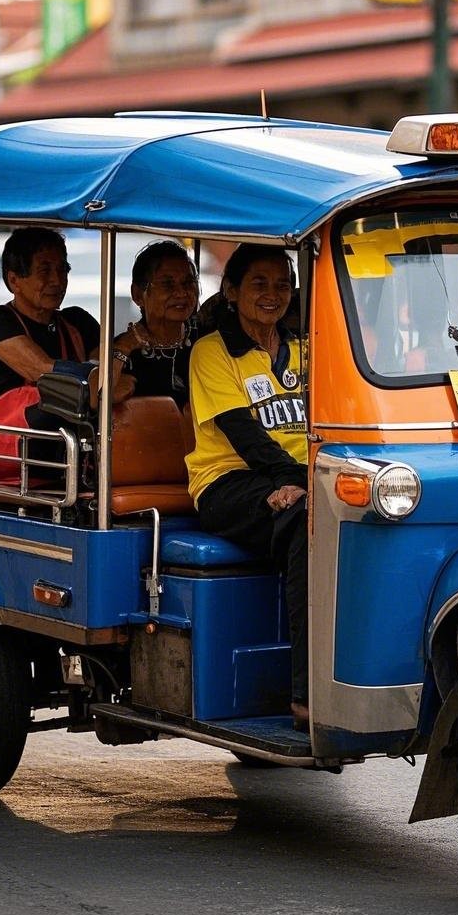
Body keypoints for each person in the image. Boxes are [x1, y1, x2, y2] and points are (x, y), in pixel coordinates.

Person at [185, 244, 310, 728]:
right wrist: (292, 482)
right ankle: (306, 694)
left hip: (293, 481)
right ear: (232, 291)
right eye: (259, 283)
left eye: (282, 284)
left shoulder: (305, 348)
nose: (272, 294)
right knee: (307, 523)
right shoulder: (212, 351)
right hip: (227, 483)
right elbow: (244, 434)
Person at [0, 226, 134, 483]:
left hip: (66, 454)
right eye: (45, 271)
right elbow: (43, 371)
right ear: (14, 281)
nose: (57, 280)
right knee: (60, 404)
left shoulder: (77, 321)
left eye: (62, 270)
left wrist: (113, 366)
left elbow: (117, 380)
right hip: (11, 452)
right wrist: (105, 373)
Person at [111, 240, 199, 408]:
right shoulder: (122, 351)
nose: (181, 293)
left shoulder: (206, 338)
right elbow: (95, 399)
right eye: (167, 284)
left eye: (188, 283)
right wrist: (123, 349)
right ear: (137, 295)